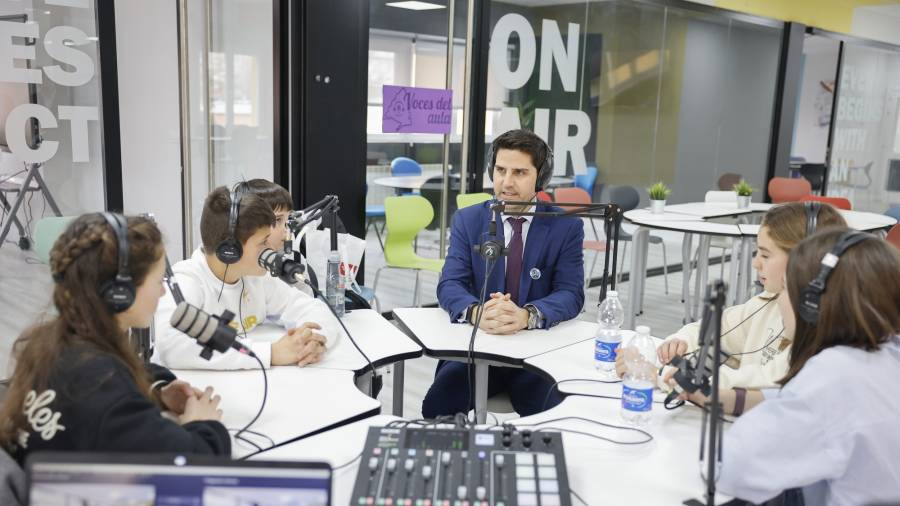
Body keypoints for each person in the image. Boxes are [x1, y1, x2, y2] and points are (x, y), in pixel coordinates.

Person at [0, 213, 230, 463]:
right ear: (120, 294)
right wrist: (203, 423)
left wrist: (158, 392)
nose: (163, 291)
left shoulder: (50, 342)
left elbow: (132, 372)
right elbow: (193, 462)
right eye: (158, 280)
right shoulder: (103, 385)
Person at [711, 228, 900, 505]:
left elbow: (731, 467)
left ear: (811, 305)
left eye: (787, 288)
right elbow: (831, 410)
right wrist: (736, 398)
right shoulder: (888, 351)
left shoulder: (838, 373)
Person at [620, 202, 846, 415]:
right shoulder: (767, 303)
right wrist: (677, 345)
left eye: (766, 255)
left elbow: (760, 382)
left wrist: (657, 374)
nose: (756, 263)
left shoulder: (825, 337)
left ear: (807, 262)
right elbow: (715, 331)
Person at [422, 129, 584, 418]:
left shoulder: (565, 226)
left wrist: (527, 315)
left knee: (556, 415)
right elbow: (450, 284)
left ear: (541, 178)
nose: (506, 183)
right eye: (500, 170)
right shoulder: (469, 219)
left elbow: (571, 293)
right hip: (478, 347)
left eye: (520, 172)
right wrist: (476, 313)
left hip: (536, 352)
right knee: (436, 405)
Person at [153, 185, 338, 370]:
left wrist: (312, 342)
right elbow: (170, 345)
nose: (270, 249)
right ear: (231, 250)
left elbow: (313, 309)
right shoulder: (186, 281)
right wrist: (271, 353)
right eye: (263, 242)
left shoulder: (256, 277)